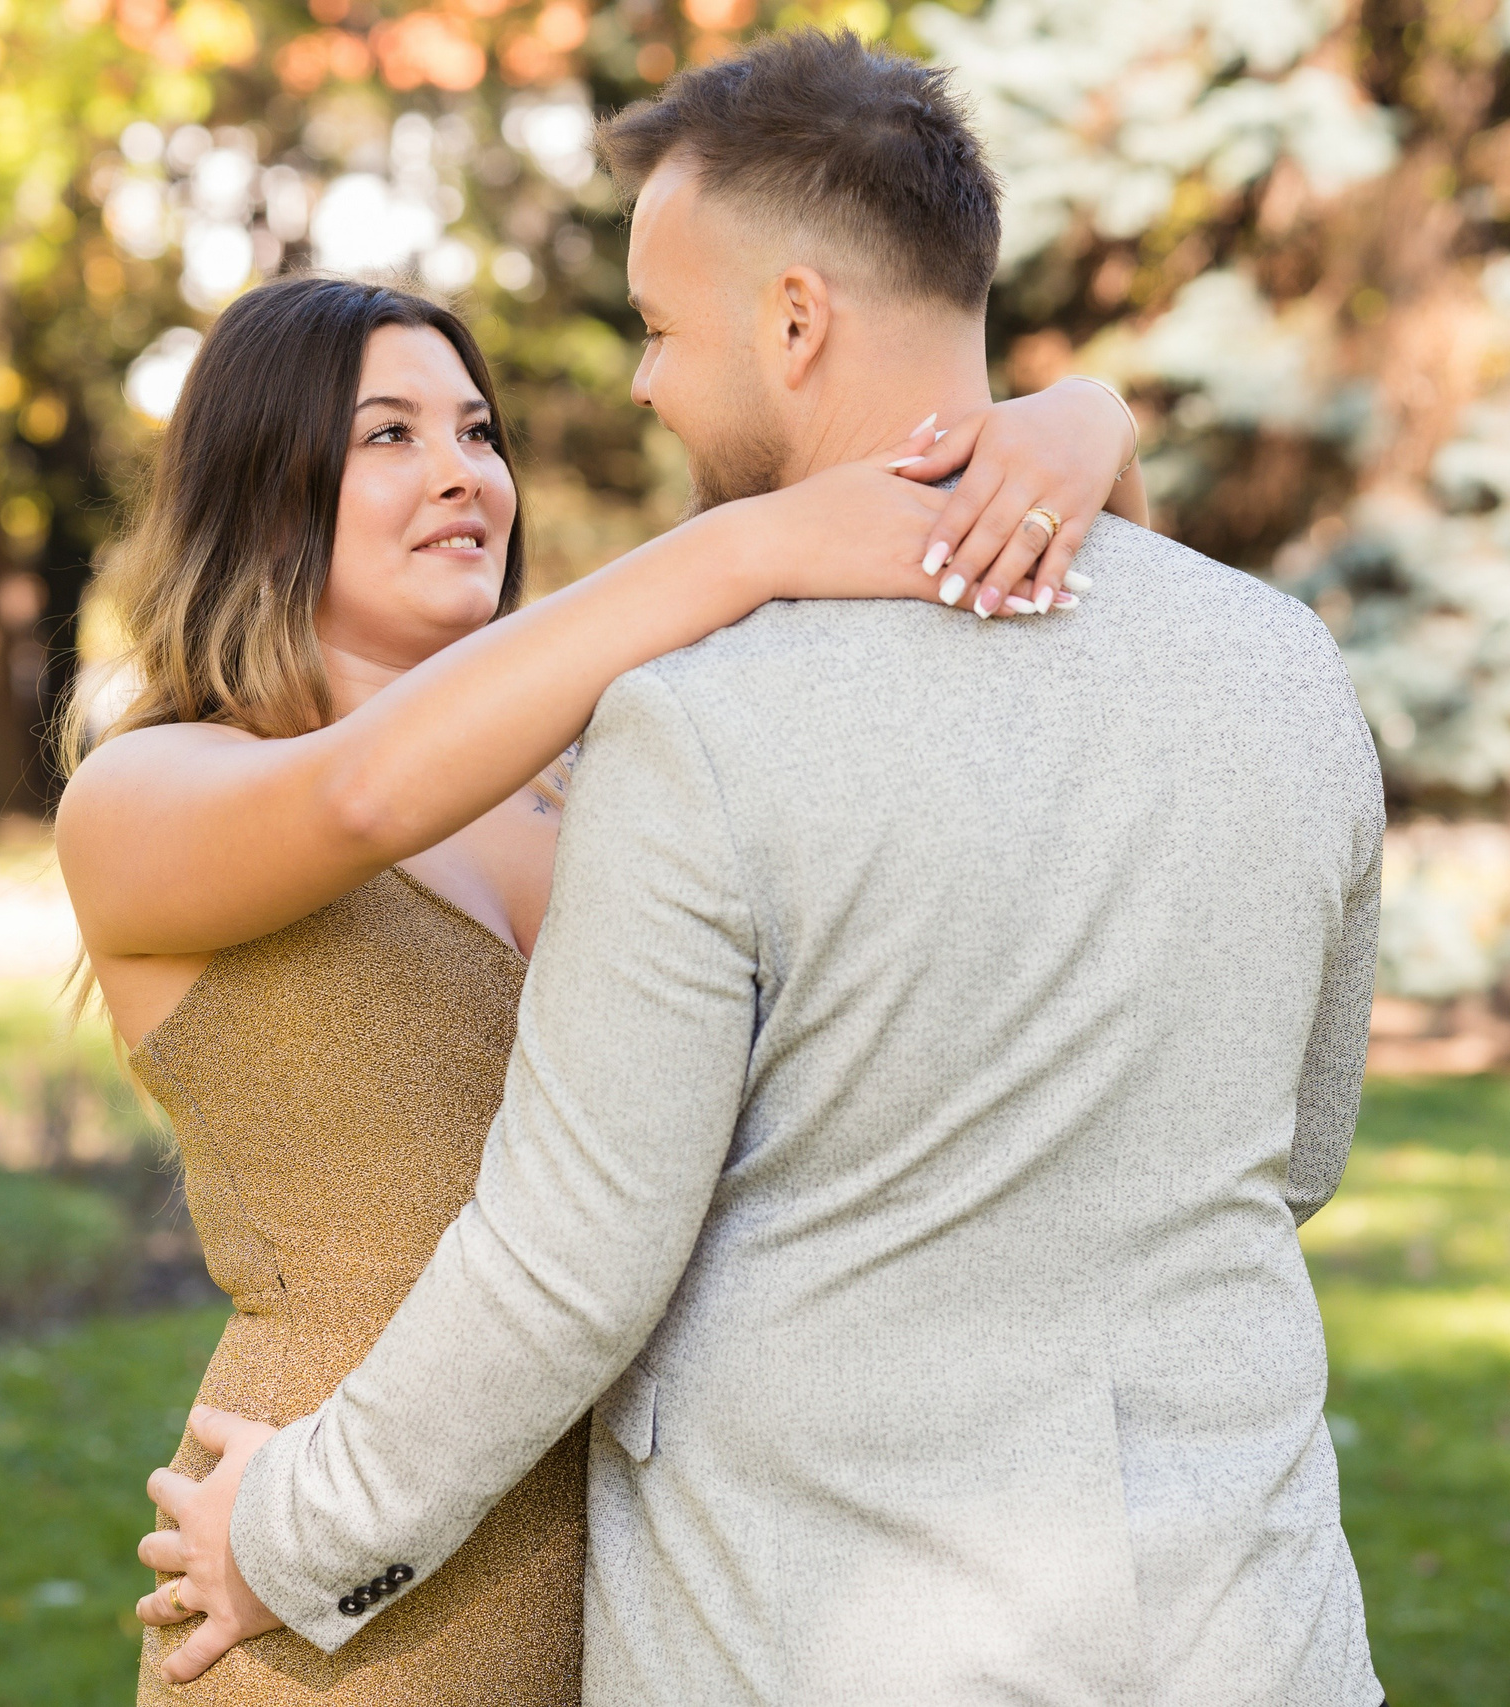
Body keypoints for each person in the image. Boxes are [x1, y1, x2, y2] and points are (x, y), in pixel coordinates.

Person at [141, 32, 1388, 1707]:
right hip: (1254, 1636)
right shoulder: (1286, 663)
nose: (645, 384)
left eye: (660, 329)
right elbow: (1294, 1152)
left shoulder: (692, 734)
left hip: (832, 1642)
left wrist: (293, 1538)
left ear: (793, 322)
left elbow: (574, 1267)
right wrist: (1071, 428)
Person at [56, 260, 1146, 1698]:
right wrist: (746, 547)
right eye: (390, 435)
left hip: (684, 1564)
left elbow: (1026, 690)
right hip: (331, 1577)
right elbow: (362, 802)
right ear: (263, 485)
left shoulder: (617, 770)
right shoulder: (148, 790)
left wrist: (1086, 430)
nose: (461, 474)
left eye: (478, 432)